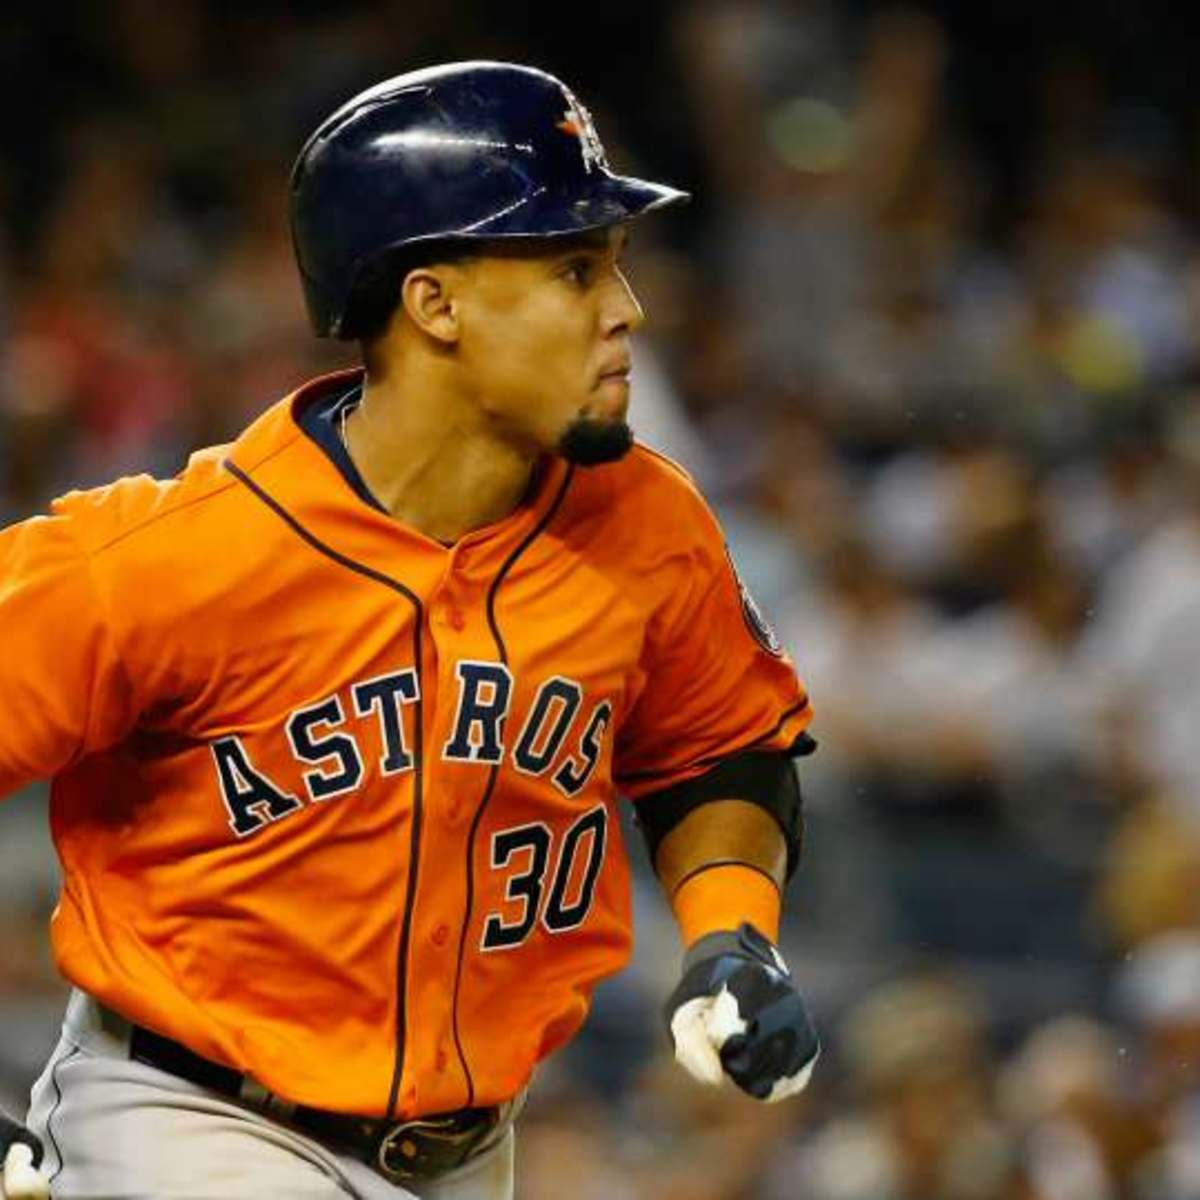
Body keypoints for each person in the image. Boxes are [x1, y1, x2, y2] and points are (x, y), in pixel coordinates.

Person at [0, 61, 819, 1200]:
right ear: (434, 304)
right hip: (191, 1126)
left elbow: (719, 743)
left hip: (473, 1149)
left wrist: (734, 930)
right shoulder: (166, 558)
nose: (627, 308)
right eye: (577, 268)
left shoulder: (648, 527)